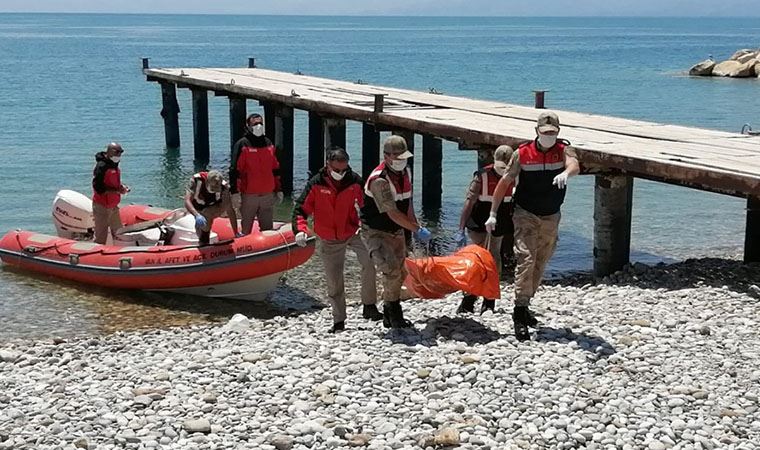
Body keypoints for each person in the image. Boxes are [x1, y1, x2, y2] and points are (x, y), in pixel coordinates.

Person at [486, 111, 580, 341]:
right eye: (545, 132)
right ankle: (518, 313)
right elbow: (505, 181)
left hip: (551, 215)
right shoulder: (522, 153)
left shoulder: (564, 150)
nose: (549, 136)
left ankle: (526, 304)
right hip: (525, 213)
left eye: (553, 132)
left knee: (541, 261)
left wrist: (566, 173)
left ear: (558, 132)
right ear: (536, 131)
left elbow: (575, 164)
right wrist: (493, 213)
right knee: (526, 259)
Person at [292, 147, 383, 333]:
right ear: (328, 165)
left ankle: (369, 306)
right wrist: (300, 230)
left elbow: (368, 206)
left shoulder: (355, 181)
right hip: (329, 238)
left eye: (344, 169)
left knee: (370, 261)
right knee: (334, 280)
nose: (341, 173)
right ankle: (339, 320)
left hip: (352, 231)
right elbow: (300, 210)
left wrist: (373, 227)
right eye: (337, 170)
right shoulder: (316, 184)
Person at [361, 135, 432, 329]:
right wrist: (415, 229)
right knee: (390, 270)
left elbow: (407, 203)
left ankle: (390, 310)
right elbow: (391, 212)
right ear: (387, 156)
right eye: (398, 158)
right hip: (376, 230)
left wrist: (415, 226)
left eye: (404, 157)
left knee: (401, 271)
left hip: (397, 229)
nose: (402, 161)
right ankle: (393, 313)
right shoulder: (379, 180)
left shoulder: (404, 173)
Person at [454, 145, 515, 315]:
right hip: (478, 223)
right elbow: (469, 202)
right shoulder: (481, 176)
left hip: (500, 221)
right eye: (500, 166)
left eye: (506, 167)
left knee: (494, 259)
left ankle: (489, 300)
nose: (503, 170)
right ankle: (469, 298)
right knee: (478, 259)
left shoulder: (515, 176)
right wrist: (460, 228)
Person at [231, 113, 283, 234]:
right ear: (248, 126)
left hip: (267, 194)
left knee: (268, 230)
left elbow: (275, 168)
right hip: (249, 195)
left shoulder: (268, 143)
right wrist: (235, 192)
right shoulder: (242, 144)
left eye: (260, 124)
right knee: (246, 229)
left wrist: (279, 189)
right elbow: (235, 170)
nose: (258, 126)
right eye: (255, 124)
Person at [184, 170, 240, 245]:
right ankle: (202, 235)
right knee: (199, 228)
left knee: (207, 214)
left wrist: (236, 233)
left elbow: (230, 209)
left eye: (217, 188)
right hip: (198, 206)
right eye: (213, 187)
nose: (214, 190)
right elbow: (187, 201)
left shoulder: (224, 187)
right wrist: (196, 215)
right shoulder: (196, 180)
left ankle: (204, 242)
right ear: (207, 181)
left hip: (213, 206)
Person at [92, 142, 129, 244]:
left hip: (113, 205)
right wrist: (116, 191)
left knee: (119, 232)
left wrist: (121, 187)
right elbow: (98, 187)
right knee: (101, 235)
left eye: (120, 153)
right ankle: (97, 256)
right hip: (102, 206)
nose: (119, 155)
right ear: (109, 152)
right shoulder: (101, 166)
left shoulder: (114, 164)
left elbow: (112, 181)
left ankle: (119, 252)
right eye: (117, 152)